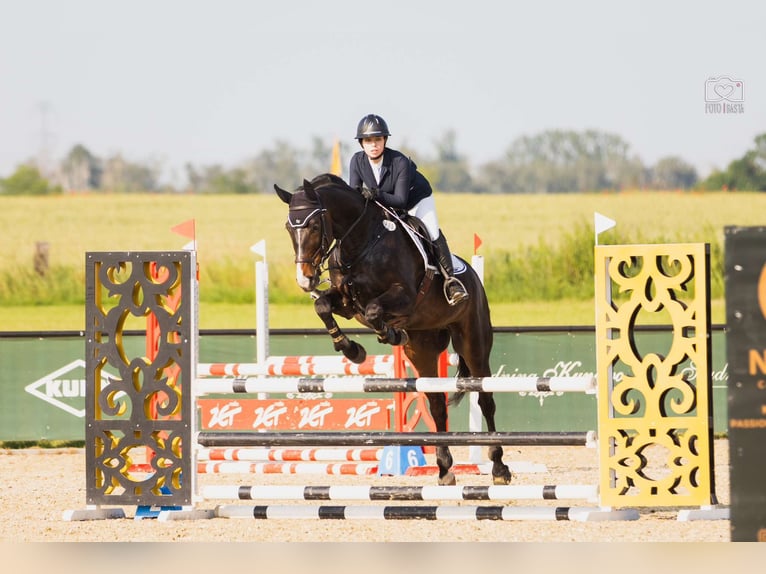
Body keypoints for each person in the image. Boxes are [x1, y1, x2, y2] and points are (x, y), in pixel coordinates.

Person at [348, 113, 468, 305]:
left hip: (416, 200)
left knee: (431, 231)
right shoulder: (357, 161)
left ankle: (451, 282)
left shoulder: (399, 161)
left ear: (384, 140)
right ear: (361, 143)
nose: (373, 145)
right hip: (383, 202)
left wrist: (374, 194)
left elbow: (401, 201)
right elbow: (355, 194)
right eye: (368, 140)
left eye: (377, 139)